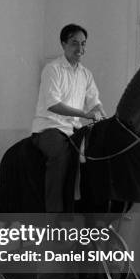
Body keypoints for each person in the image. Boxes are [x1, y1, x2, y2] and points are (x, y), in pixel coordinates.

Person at [32, 24, 107, 212]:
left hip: (74, 129)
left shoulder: (85, 74)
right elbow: (53, 104)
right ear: (63, 44)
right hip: (49, 128)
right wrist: (85, 114)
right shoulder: (52, 69)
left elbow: (94, 102)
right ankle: (54, 215)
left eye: (83, 44)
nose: (80, 49)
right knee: (61, 156)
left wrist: (104, 118)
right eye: (75, 43)